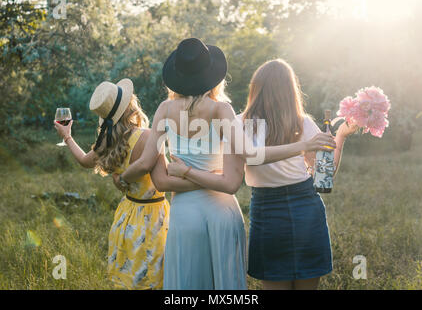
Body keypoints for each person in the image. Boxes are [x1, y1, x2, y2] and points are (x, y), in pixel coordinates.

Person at [112, 39, 336, 289]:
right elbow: (238, 171)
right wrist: (303, 146)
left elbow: (152, 172)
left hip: (184, 214)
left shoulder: (164, 109)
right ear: (211, 75)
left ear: (178, 76)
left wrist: (123, 178)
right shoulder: (222, 110)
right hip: (221, 211)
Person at [167, 59, 358, 290]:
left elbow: (322, 176)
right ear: (290, 91)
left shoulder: (240, 123)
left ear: (255, 89)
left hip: (269, 211)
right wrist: (329, 140)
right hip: (305, 208)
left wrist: (340, 137)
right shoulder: (301, 124)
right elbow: (324, 177)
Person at [54, 79, 198, 289]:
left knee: (130, 278)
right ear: (131, 104)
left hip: (127, 216)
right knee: (155, 277)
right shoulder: (148, 136)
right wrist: (199, 178)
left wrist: (67, 137)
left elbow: (85, 161)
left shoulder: (108, 141)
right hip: (153, 218)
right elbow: (164, 181)